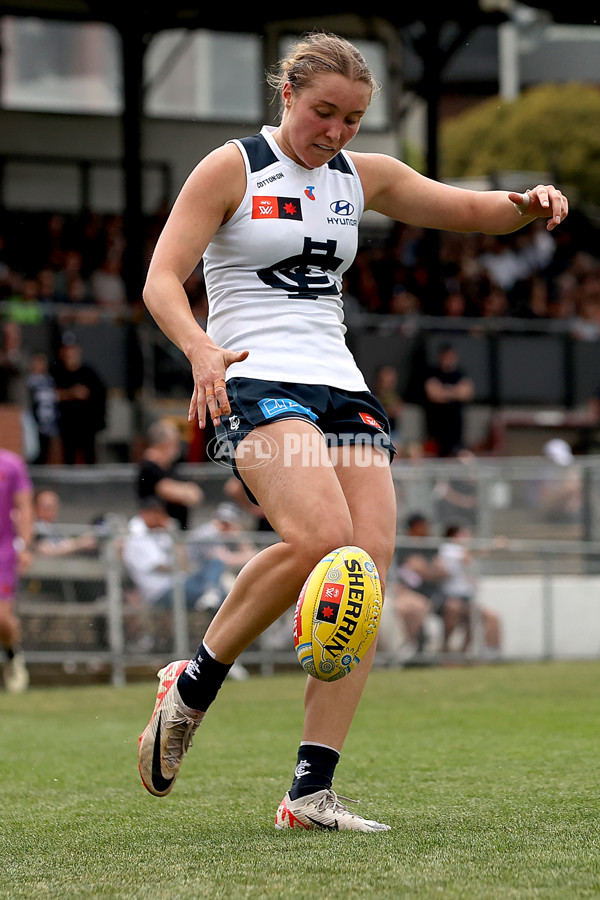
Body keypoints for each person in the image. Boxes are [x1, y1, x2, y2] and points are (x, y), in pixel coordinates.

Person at [137, 31, 568, 831]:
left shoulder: (359, 177)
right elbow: (161, 278)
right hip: (255, 374)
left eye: (353, 119)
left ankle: (309, 793)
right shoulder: (232, 166)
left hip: (341, 386)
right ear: (288, 96)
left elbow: (471, 211)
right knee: (322, 538)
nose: (335, 131)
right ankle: (191, 684)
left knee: (362, 574)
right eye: (322, 112)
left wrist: (527, 204)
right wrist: (199, 348)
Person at [436, 524, 501, 657]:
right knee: (453, 609)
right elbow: (468, 556)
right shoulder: (448, 549)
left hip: (466, 598)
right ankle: (445, 649)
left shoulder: (462, 550)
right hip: (449, 597)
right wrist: (494, 544)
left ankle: (466, 653)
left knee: (481, 616)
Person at [0, 447, 34, 693]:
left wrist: (24, 544)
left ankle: (12, 655)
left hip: (3, 552)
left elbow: (24, 506)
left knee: (2, 617)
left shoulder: (11, 464)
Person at [136, 419, 204, 531]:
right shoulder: (149, 466)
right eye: (175, 443)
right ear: (164, 443)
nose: (178, 448)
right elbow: (166, 490)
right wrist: (185, 491)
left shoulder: (169, 466)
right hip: (157, 531)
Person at [50, 334, 107, 465]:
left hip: (87, 427)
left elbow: (100, 396)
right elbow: (48, 395)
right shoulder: (56, 372)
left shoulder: (88, 373)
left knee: (90, 461)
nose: (70, 353)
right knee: (67, 460)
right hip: (65, 427)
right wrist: (70, 393)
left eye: (72, 349)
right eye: (66, 349)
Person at [423, 343, 475, 457]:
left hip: (457, 427)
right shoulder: (432, 373)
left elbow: (467, 393)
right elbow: (434, 394)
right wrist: (455, 391)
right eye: (446, 356)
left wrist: (444, 391)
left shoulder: (460, 373)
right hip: (437, 426)